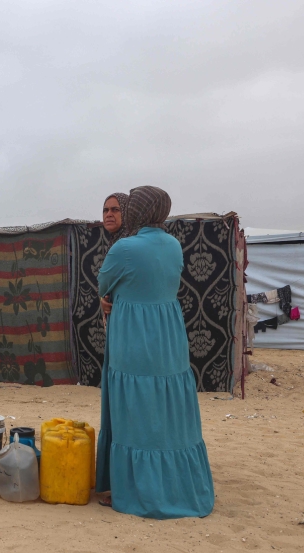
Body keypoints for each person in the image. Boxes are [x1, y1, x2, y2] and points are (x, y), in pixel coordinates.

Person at [95, 185, 215, 519]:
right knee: (167, 408)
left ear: (135, 212)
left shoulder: (125, 248)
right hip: (168, 334)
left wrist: (113, 297)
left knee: (134, 409)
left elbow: (105, 285)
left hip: (134, 335)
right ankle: (176, 484)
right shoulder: (174, 245)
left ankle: (134, 490)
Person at [100, 192, 133, 317]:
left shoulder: (131, 241)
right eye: (105, 210)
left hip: (132, 313)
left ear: (126, 212)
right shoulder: (114, 241)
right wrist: (104, 299)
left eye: (115, 210)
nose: (108, 214)